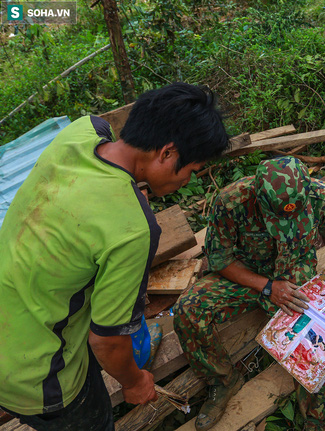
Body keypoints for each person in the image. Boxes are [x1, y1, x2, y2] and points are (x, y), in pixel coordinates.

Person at [0, 82, 229, 430]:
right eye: (192, 171)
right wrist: (135, 382)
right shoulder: (133, 231)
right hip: (39, 378)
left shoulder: (80, 133)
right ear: (167, 153)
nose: (188, 180)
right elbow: (106, 342)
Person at [173, 156, 325, 431]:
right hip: (245, 273)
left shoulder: (318, 193)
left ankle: (319, 421)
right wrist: (267, 286)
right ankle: (223, 380)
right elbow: (221, 260)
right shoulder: (231, 201)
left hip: (295, 274)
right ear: (257, 197)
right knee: (187, 310)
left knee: (314, 334)